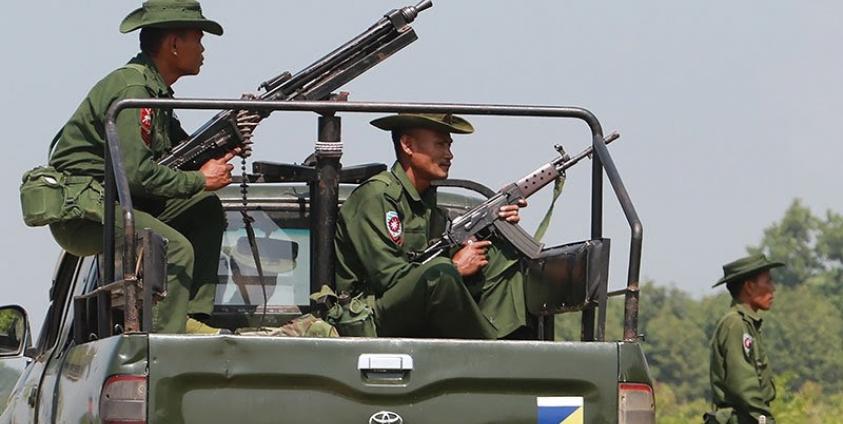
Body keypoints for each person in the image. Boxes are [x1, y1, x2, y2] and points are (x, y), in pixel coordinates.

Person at [47, 0, 260, 334]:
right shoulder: (135, 90)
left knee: (204, 209)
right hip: (86, 208)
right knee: (173, 248)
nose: (203, 48)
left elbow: (180, 151)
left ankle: (192, 317)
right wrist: (199, 179)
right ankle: (165, 337)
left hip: (117, 198)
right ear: (174, 45)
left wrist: (223, 143)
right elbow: (137, 173)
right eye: (198, 38)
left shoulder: (156, 92)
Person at [334, 113, 531, 339]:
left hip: (415, 305)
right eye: (440, 144)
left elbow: (433, 256)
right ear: (407, 145)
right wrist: (454, 267)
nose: (449, 155)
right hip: (370, 317)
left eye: (449, 145)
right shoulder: (377, 197)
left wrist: (497, 223)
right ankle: (486, 352)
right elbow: (390, 278)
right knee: (440, 273)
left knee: (498, 255)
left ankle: (510, 344)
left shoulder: (426, 201)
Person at [706, 254, 784, 424]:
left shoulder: (747, 324)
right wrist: (764, 420)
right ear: (749, 287)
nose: (773, 288)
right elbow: (743, 384)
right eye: (768, 282)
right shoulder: (736, 324)